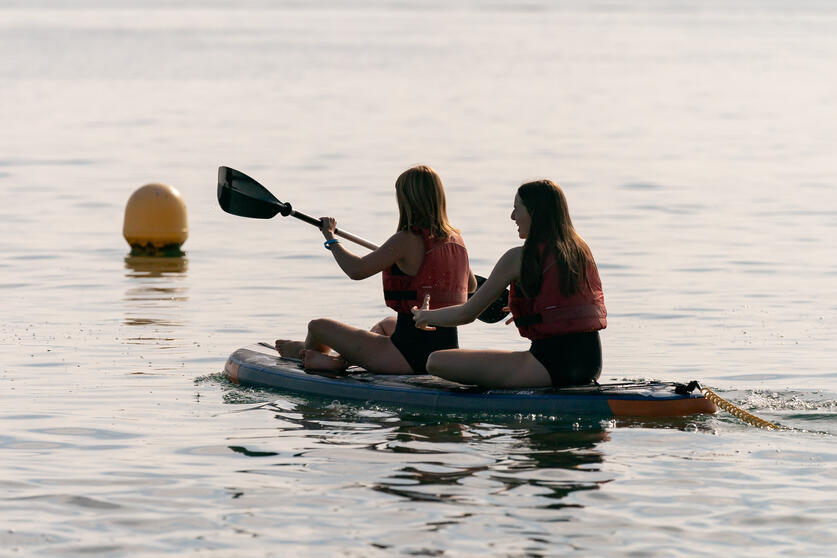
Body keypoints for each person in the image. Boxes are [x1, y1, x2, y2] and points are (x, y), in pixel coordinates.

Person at [276, 165, 477, 373]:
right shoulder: (456, 239)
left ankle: (309, 353)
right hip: (444, 352)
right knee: (386, 325)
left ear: (407, 201)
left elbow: (356, 270)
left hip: (407, 356)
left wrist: (330, 237)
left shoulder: (405, 240)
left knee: (317, 327)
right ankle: (342, 359)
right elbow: (470, 285)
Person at [412, 179, 606, 389]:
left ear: (534, 212)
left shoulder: (517, 258)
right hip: (591, 364)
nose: (512, 217)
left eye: (516, 209)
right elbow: (564, 303)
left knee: (436, 361)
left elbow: (466, 314)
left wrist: (425, 315)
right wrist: (529, 309)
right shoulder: (579, 250)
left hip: (549, 365)